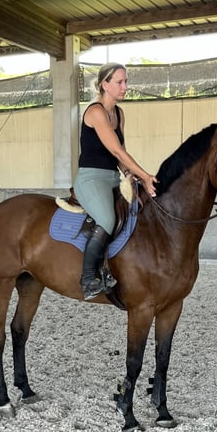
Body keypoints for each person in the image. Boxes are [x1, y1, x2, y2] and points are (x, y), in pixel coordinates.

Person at [73, 62, 158, 300]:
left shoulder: (119, 113)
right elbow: (118, 152)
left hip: (113, 177)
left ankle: (114, 268)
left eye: (126, 81)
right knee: (108, 218)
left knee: (136, 211)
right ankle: (89, 278)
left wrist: (132, 179)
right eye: (120, 82)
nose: (125, 87)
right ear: (104, 85)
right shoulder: (95, 111)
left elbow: (120, 156)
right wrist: (146, 175)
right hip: (92, 178)